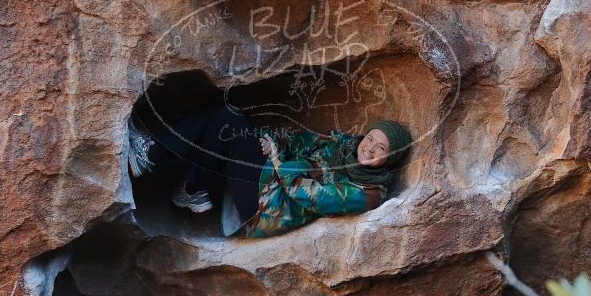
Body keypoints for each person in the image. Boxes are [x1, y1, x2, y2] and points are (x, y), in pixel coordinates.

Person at [128, 105, 412, 238]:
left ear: (390, 158)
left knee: (227, 120)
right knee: (226, 122)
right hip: (267, 183)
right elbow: (303, 141)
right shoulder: (343, 145)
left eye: (381, 149)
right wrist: (269, 142)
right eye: (371, 139)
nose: (370, 148)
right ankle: (192, 187)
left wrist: (278, 162)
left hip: (265, 210)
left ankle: (155, 156)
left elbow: (311, 196)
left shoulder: (369, 193)